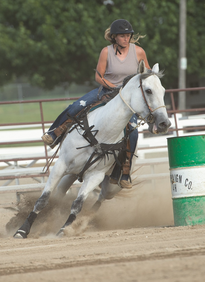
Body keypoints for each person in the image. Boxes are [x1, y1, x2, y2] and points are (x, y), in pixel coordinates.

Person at [41, 19, 150, 189]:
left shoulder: (139, 52)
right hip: (107, 91)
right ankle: (54, 133)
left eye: (128, 35)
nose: (126, 38)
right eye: (122, 36)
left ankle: (125, 172)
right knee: (76, 106)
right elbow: (98, 76)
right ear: (114, 37)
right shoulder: (106, 52)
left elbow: (146, 77)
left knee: (133, 131)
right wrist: (111, 86)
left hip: (127, 99)